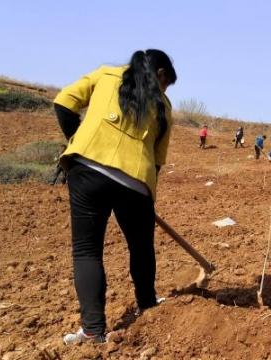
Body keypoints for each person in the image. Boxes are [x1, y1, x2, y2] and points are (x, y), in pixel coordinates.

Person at [53, 49, 177, 344]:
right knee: (141, 247)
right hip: (136, 182)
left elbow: (63, 103)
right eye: (166, 83)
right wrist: (144, 196)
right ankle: (147, 303)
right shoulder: (163, 105)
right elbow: (157, 161)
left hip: (87, 170)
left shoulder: (106, 74)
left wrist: (77, 141)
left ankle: (94, 330)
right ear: (161, 75)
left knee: (87, 251)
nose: (164, 89)